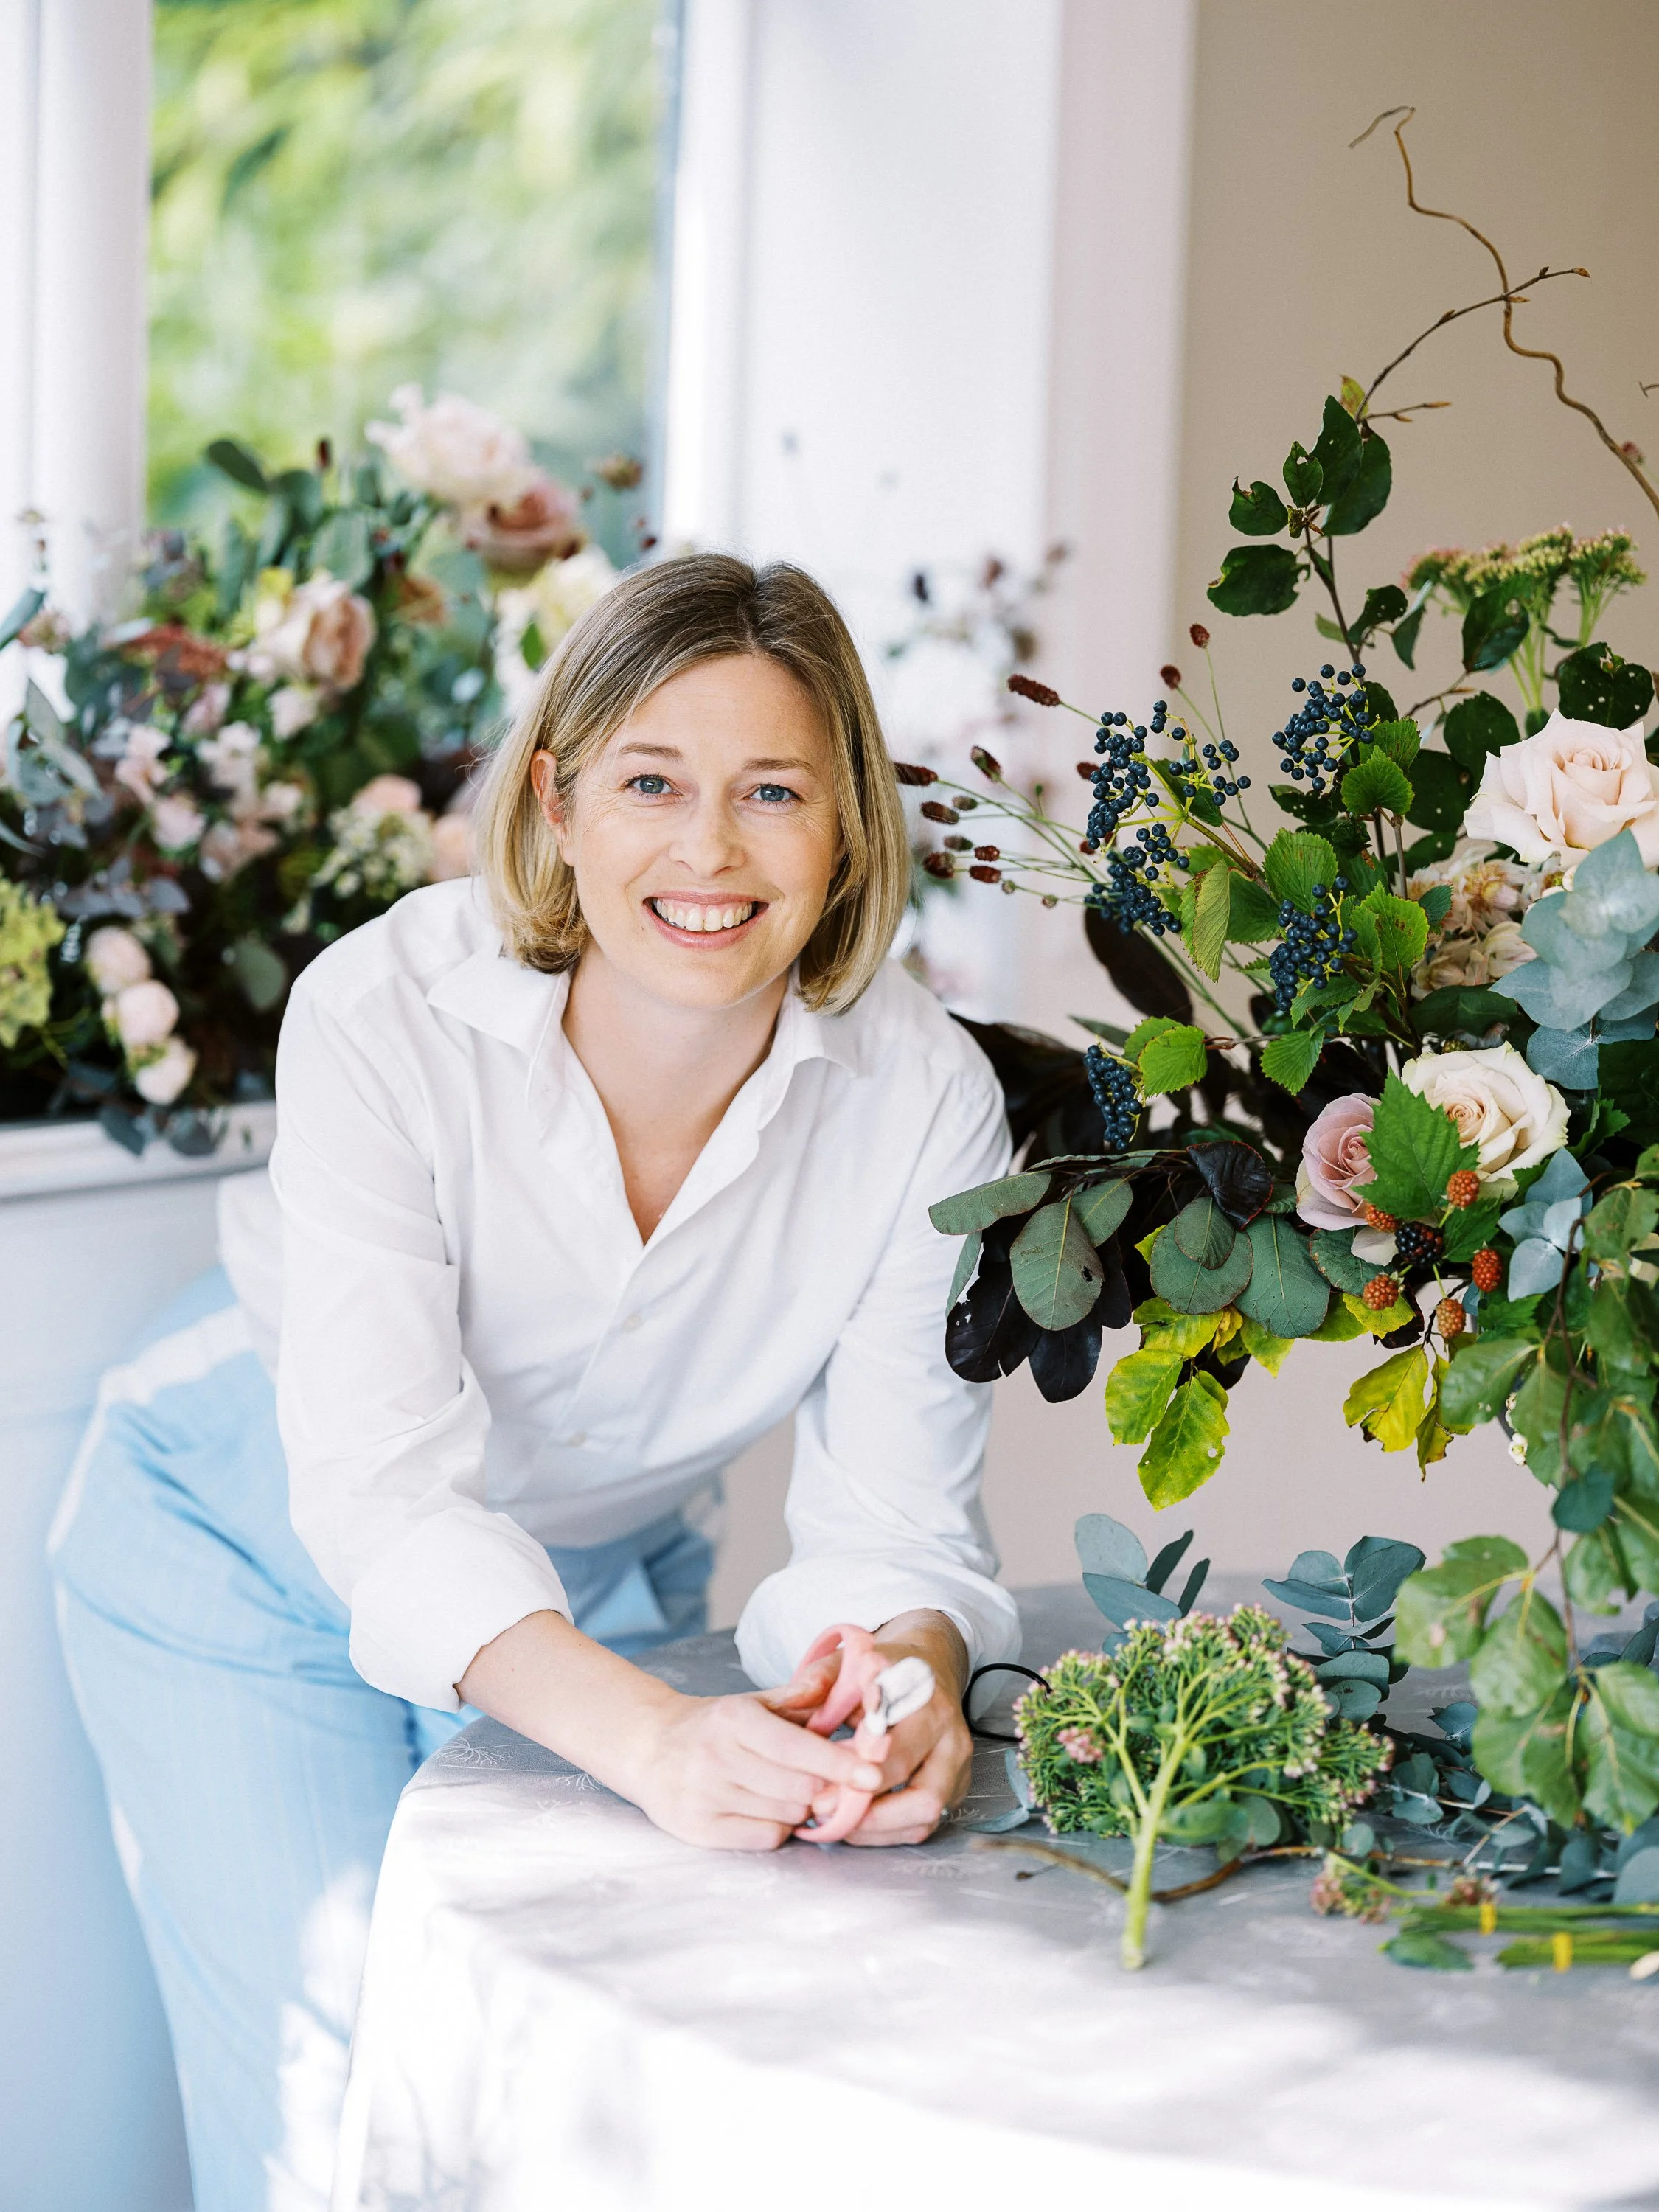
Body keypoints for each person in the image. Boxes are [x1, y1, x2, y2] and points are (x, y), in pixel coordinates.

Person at [51, 552, 1019, 2212]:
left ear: (848, 827)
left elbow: (896, 1521)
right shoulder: (383, 1013)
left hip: (593, 1566)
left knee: (581, 2109)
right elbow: (381, 1493)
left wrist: (906, 1678)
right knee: (341, 2116)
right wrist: (651, 1744)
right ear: (558, 806)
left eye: (772, 790)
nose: (709, 849)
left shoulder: (926, 1099)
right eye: (652, 782)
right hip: (241, 1550)